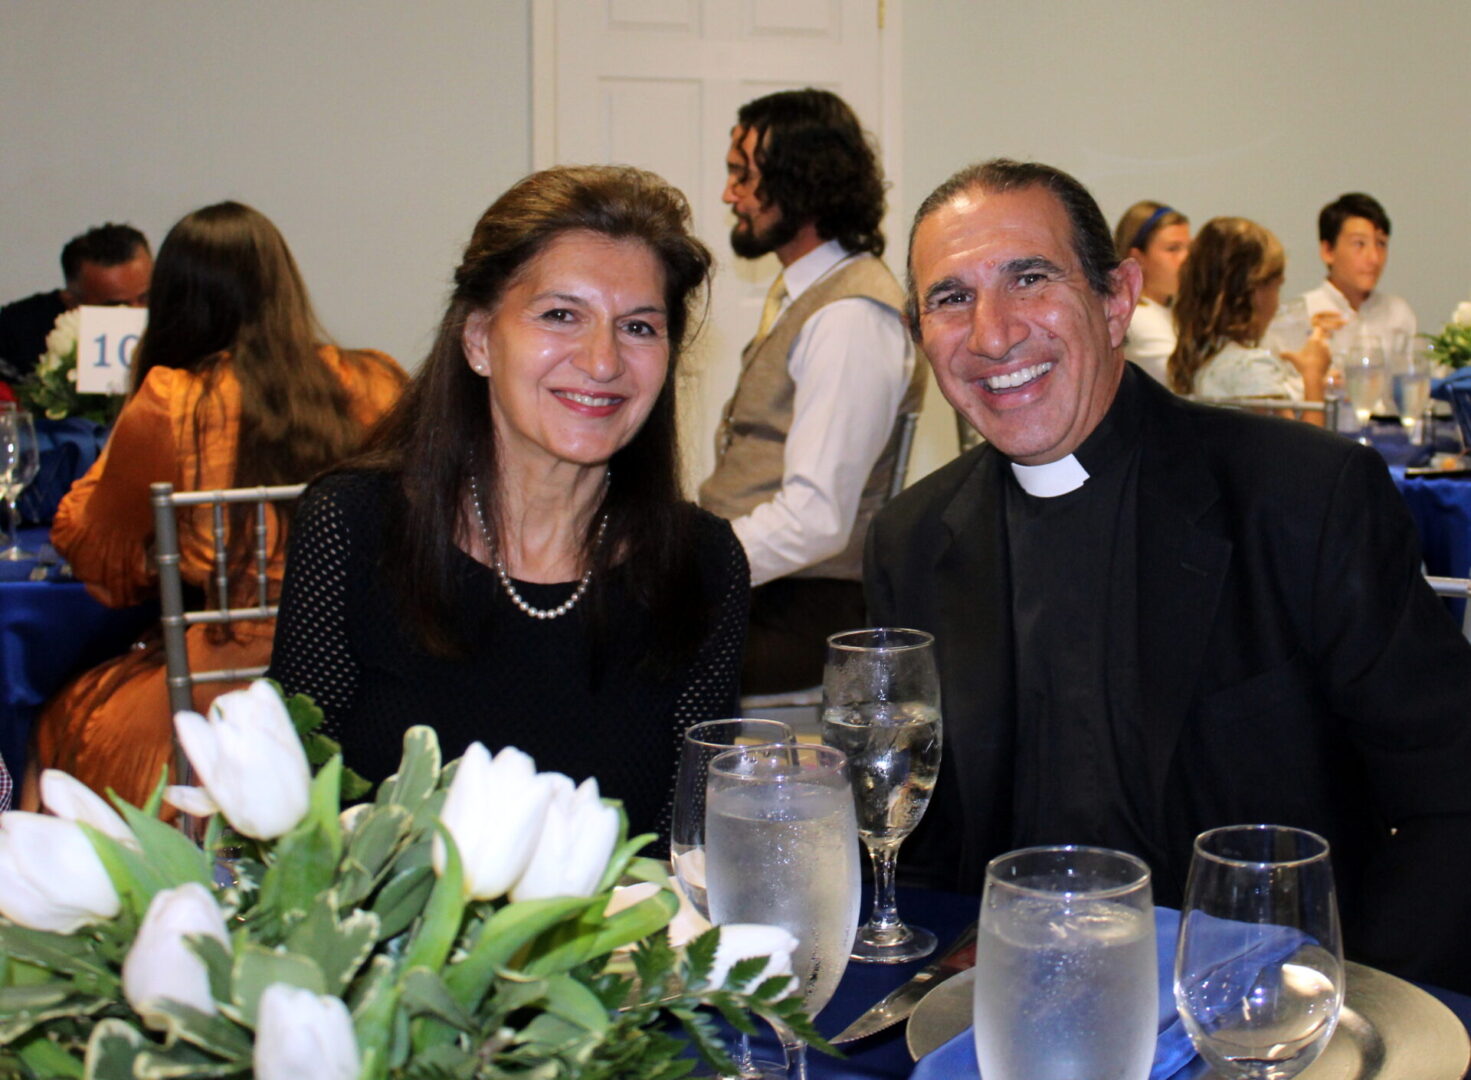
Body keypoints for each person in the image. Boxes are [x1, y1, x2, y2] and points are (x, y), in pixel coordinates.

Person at [868, 158, 1471, 990]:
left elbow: (1451, 798)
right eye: (949, 298)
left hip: (1264, 1012)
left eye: (1029, 278)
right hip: (1015, 1009)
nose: (991, 334)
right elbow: (922, 846)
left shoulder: (1299, 500)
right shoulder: (910, 540)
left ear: (1116, 298)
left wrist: (1354, 1012)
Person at [267, 166, 747, 841]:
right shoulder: (353, 525)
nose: (603, 360)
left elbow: (688, 840)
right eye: (560, 315)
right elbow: (289, 801)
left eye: (639, 327)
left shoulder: (701, 564)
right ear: (477, 339)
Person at [23, 202, 405, 812]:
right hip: (368, 675)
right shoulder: (378, 381)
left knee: (57, 726)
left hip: (219, 688)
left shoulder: (174, 402)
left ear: (172, 301)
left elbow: (95, 552)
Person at [697, 88, 924, 696]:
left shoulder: (851, 315)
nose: (729, 195)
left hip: (803, 611)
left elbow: (818, 520)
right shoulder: (811, 295)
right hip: (769, 593)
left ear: (804, 180)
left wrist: (690, 566)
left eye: (743, 176)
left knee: (614, 653)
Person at [1167, 216, 1332, 422]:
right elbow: (1304, 452)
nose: (1277, 303)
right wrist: (1313, 375)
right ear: (1254, 291)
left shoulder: (1198, 356)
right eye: (1276, 287)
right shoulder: (1250, 368)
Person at [0, 223, 152, 387]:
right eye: (118, 306)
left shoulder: (178, 319)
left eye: (146, 298)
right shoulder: (16, 333)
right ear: (71, 302)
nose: (138, 312)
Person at [1270, 192, 1416, 358]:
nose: (1374, 258)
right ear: (1328, 251)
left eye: (1381, 244)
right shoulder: (1300, 315)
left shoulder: (1397, 314)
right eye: (1359, 244)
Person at [1114, 201, 1189, 385]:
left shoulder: (1173, 311)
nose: (1187, 258)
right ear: (1138, 259)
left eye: (1189, 248)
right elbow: (1184, 381)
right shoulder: (1138, 318)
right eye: (1173, 249)